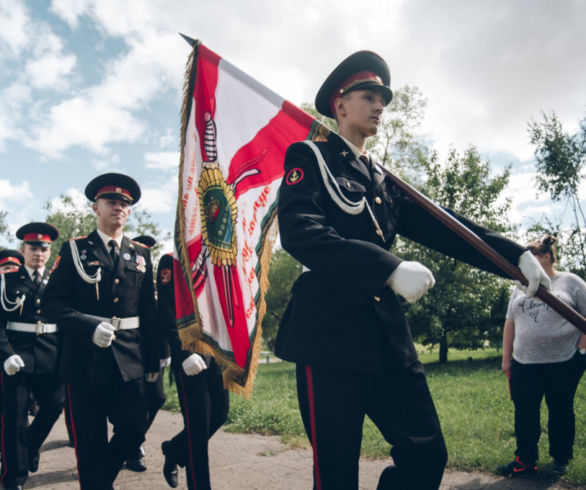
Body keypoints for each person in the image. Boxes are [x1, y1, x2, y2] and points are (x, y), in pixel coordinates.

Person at [275, 50, 551, 490]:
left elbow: (449, 229)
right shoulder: (310, 157)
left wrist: (514, 257)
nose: (379, 105)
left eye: (382, 98)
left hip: (384, 334)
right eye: (369, 96)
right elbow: (300, 233)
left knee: (426, 454)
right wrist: (386, 267)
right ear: (340, 105)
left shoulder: (384, 181)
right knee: (336, 472)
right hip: (328, 335)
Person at [42, 173, 160, 490]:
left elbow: (148, 311)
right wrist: (88, 325)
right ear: (96, 207)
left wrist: (153, 360)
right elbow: (51, 304)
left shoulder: (140, 255)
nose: (118, 207)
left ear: (130, 211)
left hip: (130, 359)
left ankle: (97, 481)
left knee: (135, 429)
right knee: (90, 440)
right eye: (111, 201)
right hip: (85, 360)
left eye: (124, 203)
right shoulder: (74, 250)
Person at [498, 235, 586, 477]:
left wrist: (581, 350)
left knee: (560, 411)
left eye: (532, 255)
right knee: (525, 413)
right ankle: (525, 461)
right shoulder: (521, 286)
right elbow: (510, 322)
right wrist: (507, 359)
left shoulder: (571, 283)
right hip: (524, 363)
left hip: (564, 362)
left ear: (546, 257)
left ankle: (561, 459)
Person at [0, 223, 64, 490]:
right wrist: (6, 353)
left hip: (50, 355)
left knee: (53, 405)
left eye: (44, 248)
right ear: (23, 250)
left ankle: (32, 445)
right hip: (18, 356)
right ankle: (14, 478)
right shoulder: (7, 281)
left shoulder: (57, 283)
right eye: (33, 248)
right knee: (14, 418)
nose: (38, 253)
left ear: (49, 253)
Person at [157, 252, 229, 490]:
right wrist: (183, 354)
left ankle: (175, 450)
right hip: (190, 352)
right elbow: (167, 312)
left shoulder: (219, 256)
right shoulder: (172, 260)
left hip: (216, 351)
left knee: (219, 414)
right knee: (197, 429)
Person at [123, 234, 170, 473]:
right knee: (133, 402)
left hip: (154, 351)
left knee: (157, 397)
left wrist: (165, 351)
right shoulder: (128, 280)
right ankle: (132, 448)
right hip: (130, 349)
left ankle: (133, 440)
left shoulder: (156, 283)